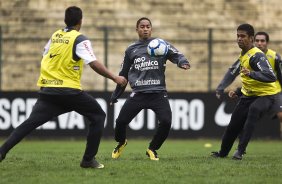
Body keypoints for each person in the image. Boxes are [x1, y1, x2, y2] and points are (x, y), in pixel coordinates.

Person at [0, 6, 127, 169]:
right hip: (69, 91)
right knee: (98, 115)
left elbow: (44, 54)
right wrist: (115, 77)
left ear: (65, 20)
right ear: (81, 21)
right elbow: (93, 63)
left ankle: (2, 151)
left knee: (30, 123)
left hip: (48, 91)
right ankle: (88, 160)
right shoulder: (80, 39)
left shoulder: (55, 35)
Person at [110, 17, 190, 161]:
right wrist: (116, 94)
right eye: (142, 26)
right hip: (138, 93)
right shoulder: (131, 49)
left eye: (148, 26)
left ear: (151, 29)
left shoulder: (161, 44)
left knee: (166, 122)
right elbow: (123, 74)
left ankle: (152, 148)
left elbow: (176, 54)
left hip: (158, 93)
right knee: (120, 122)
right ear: (137, 29)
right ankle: (121, 142)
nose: (145, 29)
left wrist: (182, 63)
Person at [211, 24, 280, 160]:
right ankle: (222, 153)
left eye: (243, 36)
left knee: (254, 110)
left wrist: (251, 74)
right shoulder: (243, 55)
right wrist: (238, 91)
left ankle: (240, 151)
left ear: (251, 38)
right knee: (234, 124)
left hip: (266, 95)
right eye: (238, 36)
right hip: (249, 95)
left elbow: (270, 76)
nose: (239, 39)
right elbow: (246, 80)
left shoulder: (257, 56)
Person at [215, 32, 282, 131]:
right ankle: (241, 143)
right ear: (253, 41)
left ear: (267, 42)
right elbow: (233, 71)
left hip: (274, 92)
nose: (259, 43)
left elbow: (280, 75)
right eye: (257, 41)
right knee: (245, 119)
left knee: (281, 115)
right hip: (255, 92)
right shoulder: (248, 55)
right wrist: (221, 87)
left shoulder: (275, 56)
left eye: (262, 41)